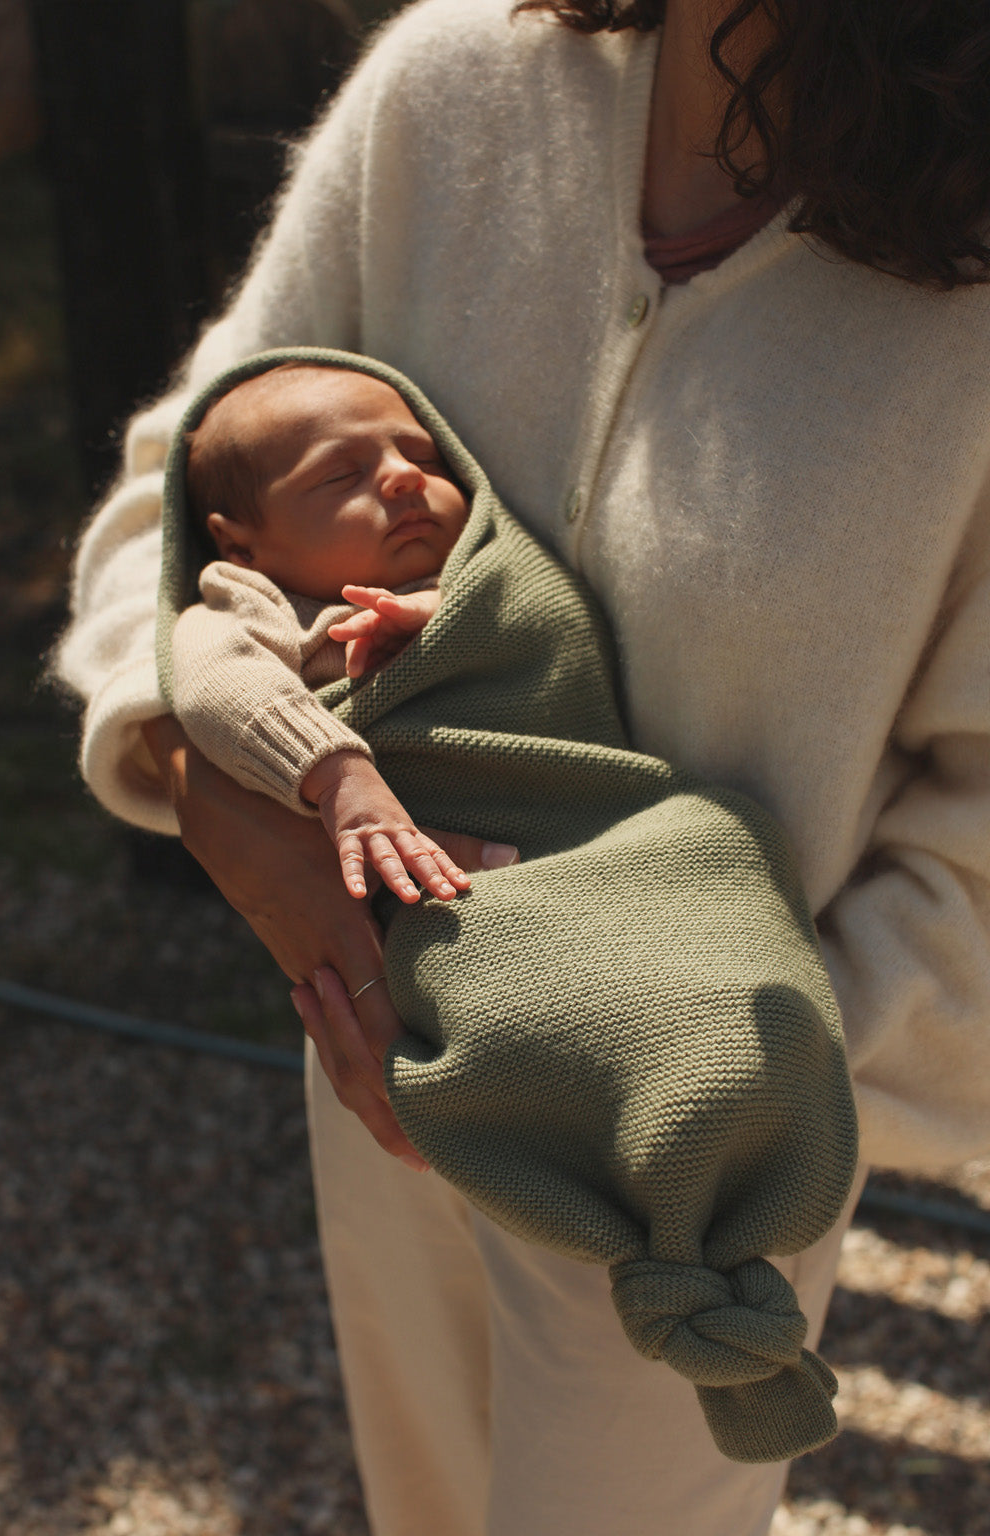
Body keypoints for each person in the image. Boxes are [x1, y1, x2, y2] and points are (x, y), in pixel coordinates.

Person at [53, 0, 990, 1532]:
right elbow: (181, 489)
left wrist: (736, 1079)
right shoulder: (452, 88)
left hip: (675, 1179)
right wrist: (221, 791)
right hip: (374, 1048)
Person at [172, 359, 475, 909]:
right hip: (414, 860)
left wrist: (447, 610)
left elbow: (544, 613)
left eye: (425, 457)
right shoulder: (253, 606)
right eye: (341, 475)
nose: (405, 474)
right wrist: (339, 778)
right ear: (240, 546)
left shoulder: (479, 563)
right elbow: (216, 682)